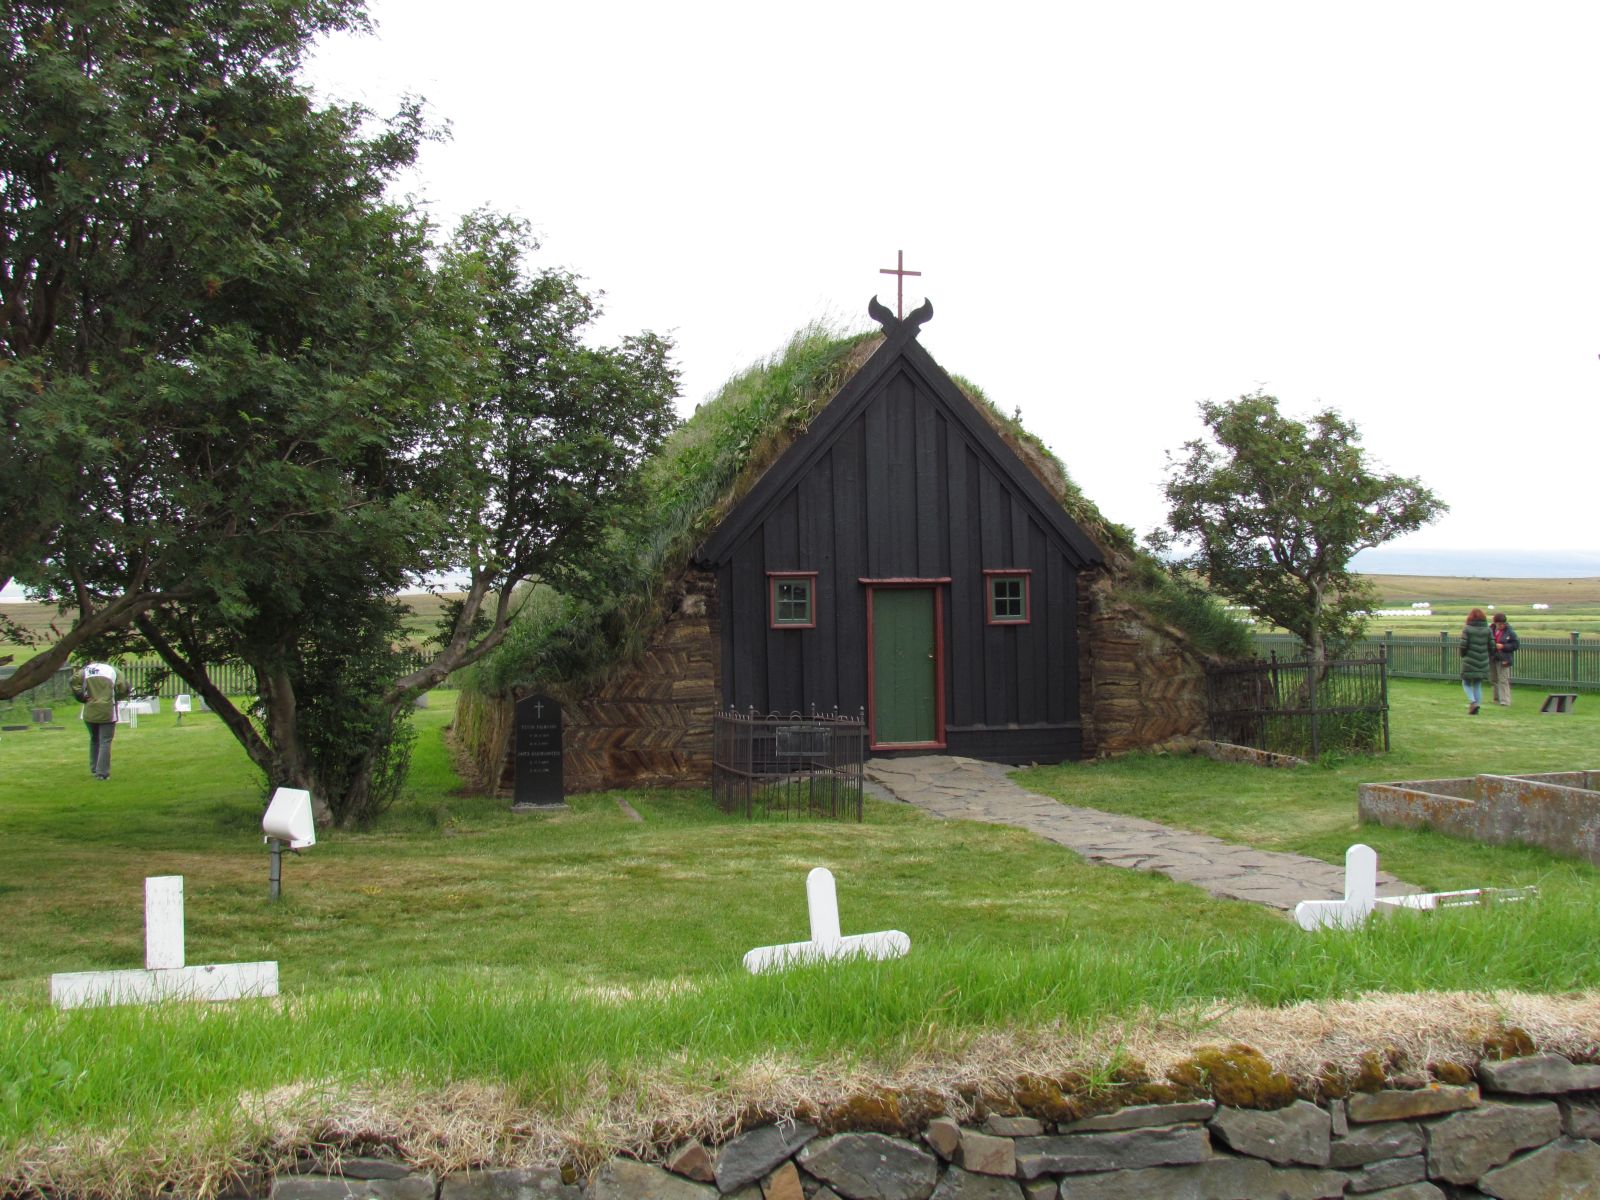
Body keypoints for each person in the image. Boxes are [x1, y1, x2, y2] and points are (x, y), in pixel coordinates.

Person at [70, 660, 128, 780]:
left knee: (94, 739)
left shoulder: (86, 670)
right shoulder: (113, 671)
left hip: (89, 709)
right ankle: (102, 773)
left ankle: (94, 768)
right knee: (105, 741)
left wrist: (81, 697)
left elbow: (73, 682)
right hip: (107, 710)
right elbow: (123, 688)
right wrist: (115, 697)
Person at [1458, 608, 1492, 715]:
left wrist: (1463, 655)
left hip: (1469, 659)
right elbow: (1492, 646)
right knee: (1477, 684)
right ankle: (1477, 704)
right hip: (1483, 660)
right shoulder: (1488, 630)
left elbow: (1463, 645)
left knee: (1466, 683)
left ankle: (1472, 702)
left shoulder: (1467, 629)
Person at [1489, 611, 1520, 706]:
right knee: (1494, 679)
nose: (1501, 625)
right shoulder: (1490, 631)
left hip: (1504, 658)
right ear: (1495, 623)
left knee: (1503, 679)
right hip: (1493, 658)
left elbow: (1515, 645)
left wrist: (1503, 646)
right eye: (1499, 624)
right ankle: (1496, 699)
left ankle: (1505, 701)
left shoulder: (1510, 632)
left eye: (1503, 623)